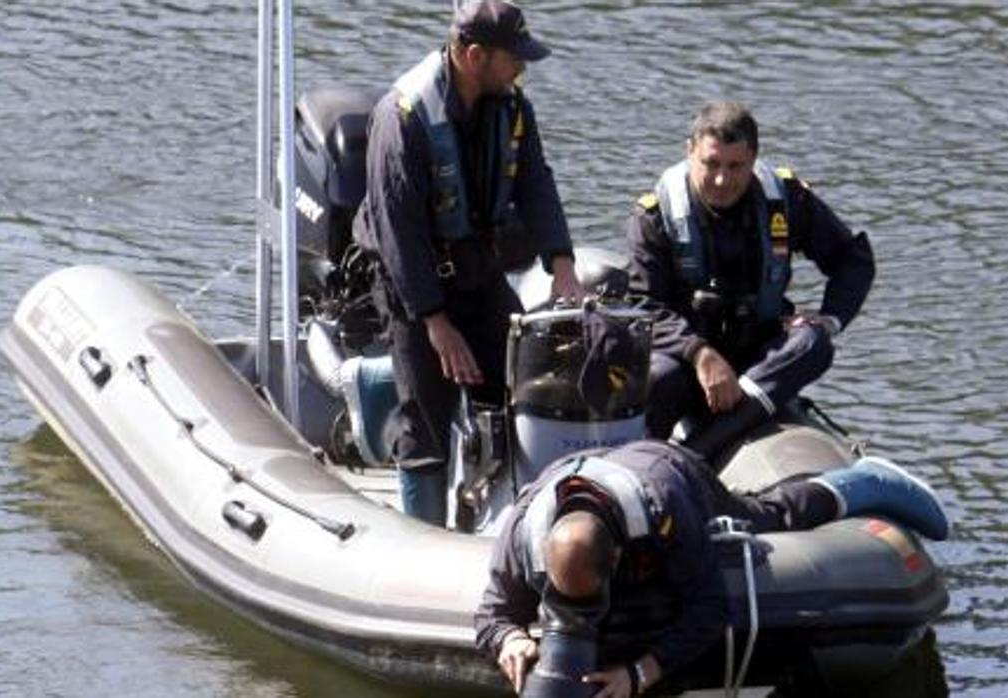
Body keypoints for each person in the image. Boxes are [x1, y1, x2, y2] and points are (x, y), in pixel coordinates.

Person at [474, 439, 950, 696]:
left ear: (616, 560)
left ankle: (863, 482)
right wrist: (509, 638)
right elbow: (492, 613)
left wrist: (642, 673)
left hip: (665, 467)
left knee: (770, 517)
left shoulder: (665, 509)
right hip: (575, 472)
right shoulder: (524, 530)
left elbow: (709, 608)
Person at [352, 0, 583, 526]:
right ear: (475, 56)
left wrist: (561, 262)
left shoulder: (512, 106)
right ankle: (425, 540)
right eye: (514, 57)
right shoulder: (403, 118)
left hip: (476, 267)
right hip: (410, 280)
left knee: (514, 384)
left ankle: (506, 518)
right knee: (425, 422)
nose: (523, 66)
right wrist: (434, 322)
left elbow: (535, 182)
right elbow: (398, 230)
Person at [627, 102, 875, 444]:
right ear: (690, 153)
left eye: (735, 167)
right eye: (710, 164)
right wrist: (699, 353)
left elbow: (853, 259)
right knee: (655, 378)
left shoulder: (786, 202)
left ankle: (706, 446)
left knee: (814, 343)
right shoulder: (655, 217)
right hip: (689, 361)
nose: (721, 179)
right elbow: (644, 308)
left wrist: (830, 318)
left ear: (754, 160)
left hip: (760, 358)